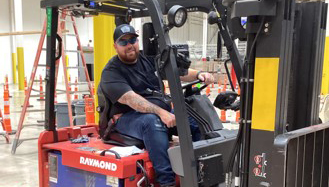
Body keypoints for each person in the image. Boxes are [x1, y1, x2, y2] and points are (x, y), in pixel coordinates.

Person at [100, 24, 214, 187]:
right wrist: (162, 113)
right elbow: (132, 100)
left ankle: (200, 174)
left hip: (155, 113)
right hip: (124, 120)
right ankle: (166, 182)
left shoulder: (148, 59)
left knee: (195, 123)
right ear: (115, 46)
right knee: (152, 123)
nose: (130, 45)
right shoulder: (111, 71)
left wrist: (198, 74)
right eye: (123, 42)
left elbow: (174, 72)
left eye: (132, 40)